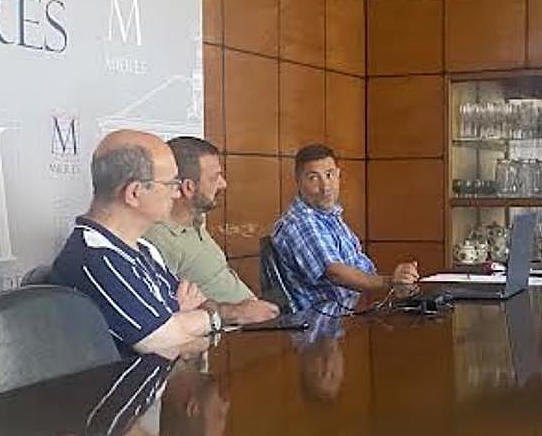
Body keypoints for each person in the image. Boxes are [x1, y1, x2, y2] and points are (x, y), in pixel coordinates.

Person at [52, 129, 217, 360]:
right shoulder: (96, 259)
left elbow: (195, 311)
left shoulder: (145, 249)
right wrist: (208, 319)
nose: (177, 194)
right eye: (171, 184)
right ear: (134, 193)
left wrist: (183, 320)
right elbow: (167, 341)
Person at [144, 136, 280, 326]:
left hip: (256, 324)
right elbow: (165, 315)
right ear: (188, 188)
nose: (223, 184)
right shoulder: (157, 241)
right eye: (215, 177)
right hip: (225, 336)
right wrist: (235, 313)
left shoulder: (195, 223)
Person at [272, 144, 419, 311]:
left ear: (338, 175)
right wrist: (391, 282)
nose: (325, 187)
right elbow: (335, 273)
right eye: (313, 178)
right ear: (298, 181)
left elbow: (361, 268)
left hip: (355, 311)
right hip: (326, 321)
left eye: (329, 175)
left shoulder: (328, 216)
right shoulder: (300, 222)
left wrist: (402, 280)